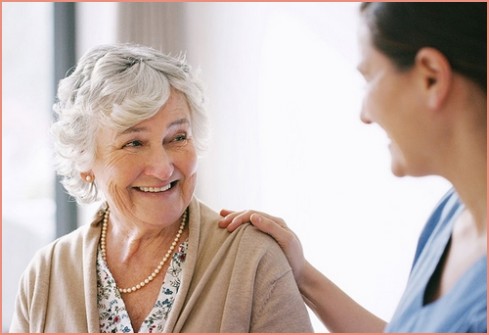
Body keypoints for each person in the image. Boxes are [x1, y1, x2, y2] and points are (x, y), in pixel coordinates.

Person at [219, 2, 486, 333]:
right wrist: (302, 273)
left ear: (431, 76)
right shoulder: (450, 215)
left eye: (369, 78)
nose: (365, 114)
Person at [9, 43, 313, 333]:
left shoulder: (253, 260)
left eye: (178, 137)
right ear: (84, 160)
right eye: (134, 143)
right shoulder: (45, 276)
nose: (163, 167)